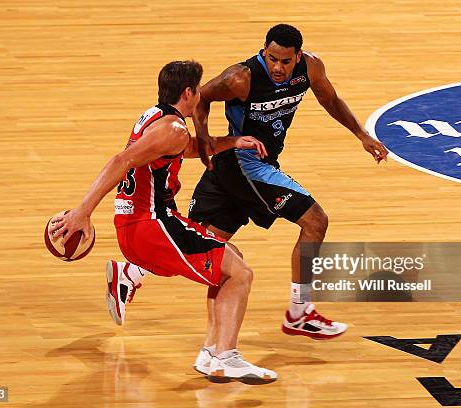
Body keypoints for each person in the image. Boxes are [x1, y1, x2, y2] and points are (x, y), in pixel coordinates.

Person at [48, 60, 276, 384]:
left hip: (141, 223)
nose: (200, 95)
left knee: (231, 257)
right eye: (198, 90)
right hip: (152, 225)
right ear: (188, 92)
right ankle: (227, 357)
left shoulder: (154, 117)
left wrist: (232, 142)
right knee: (241, 274)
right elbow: (121, 160)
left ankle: (212, 353)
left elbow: (185, 149)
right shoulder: (174, 128)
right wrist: (82, 211)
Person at [183, 24, 389, 372]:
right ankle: (299, 311)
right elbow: (199, 99)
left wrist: (362, 135)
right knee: (315, 221)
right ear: (263, 51)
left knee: (212, 251)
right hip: (243, 163)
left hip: (256, 163)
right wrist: (204, 139)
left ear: (298, 57)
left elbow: (331, 100)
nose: (278, 67)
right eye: (272, 58)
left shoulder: (311, 67)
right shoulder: (240, 78)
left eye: (285, 61)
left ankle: (206, 344)